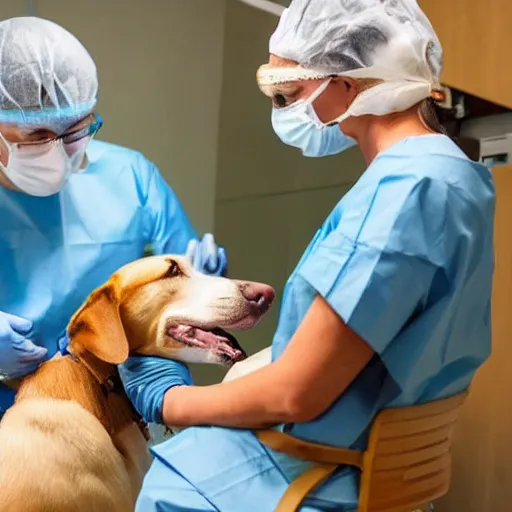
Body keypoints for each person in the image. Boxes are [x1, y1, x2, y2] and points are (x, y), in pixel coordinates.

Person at [119, 0, 495, 510]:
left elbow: (297, 395)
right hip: (375, 459)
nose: (285, 111)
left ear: (346, 82)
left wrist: (170, 402)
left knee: (163, 483)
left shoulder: (404, 193)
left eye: (289, 93)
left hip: (317, 473)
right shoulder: (452, 174)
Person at [0, 17, 227, 413]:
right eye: (36, 138)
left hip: (115, 405)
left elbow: (176, 310)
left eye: (74, 132)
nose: (58, 153)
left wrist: (202, 287)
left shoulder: (130, 178)